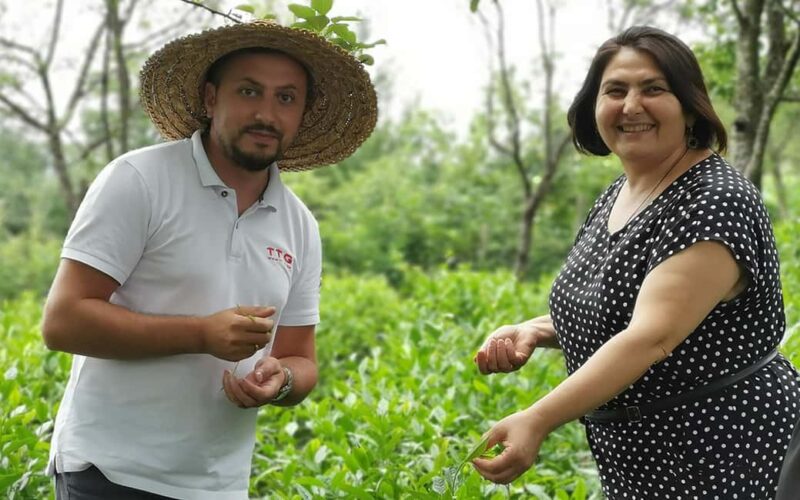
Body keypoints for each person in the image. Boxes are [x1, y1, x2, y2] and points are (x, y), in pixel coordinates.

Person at [41, 20, 376, 500]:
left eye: (286, 98)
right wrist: (201, 333)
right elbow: (63, 321)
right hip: (109, 472)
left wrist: (280, 381)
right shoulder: (139, 179)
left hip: (219, 484)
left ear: (302, 114)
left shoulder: (299, 225)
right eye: (249, 91)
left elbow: (301, 358)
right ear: (211, 98)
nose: (266, 112)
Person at [472, 25, 799, 498]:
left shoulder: (713, 200)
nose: (631, 106)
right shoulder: (619, 194)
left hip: (726, 449)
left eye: (653, 89)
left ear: (690, 106)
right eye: (615, 90)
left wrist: (537, 418)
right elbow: (622, 305)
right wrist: (536, 330)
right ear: (594, 106)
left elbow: (651, 335)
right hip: (640, 458)